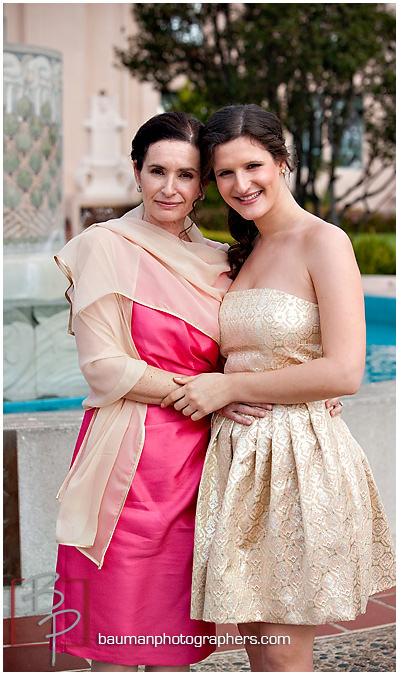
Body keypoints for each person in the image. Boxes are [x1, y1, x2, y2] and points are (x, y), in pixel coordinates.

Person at [160, 104, 396, 672]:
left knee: (284, 656)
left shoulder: (325, 242)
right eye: (224, 173)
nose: (241, 184)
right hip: (241, 461)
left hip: (297, 461)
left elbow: (346, 372)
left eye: (253, 166)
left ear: (282, 162)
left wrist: (227, 387)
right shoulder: (241, 253)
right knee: (261, 652)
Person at [51, 111, 260, 670]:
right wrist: (209, 390)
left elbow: (253, 346)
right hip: (132, 451)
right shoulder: (105, 246)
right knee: (123, 621)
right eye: (157, 171)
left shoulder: (221, 259)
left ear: (204, 182)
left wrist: (300, 389)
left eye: (187, 175)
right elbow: (103, 369)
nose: (170, 188)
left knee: (177, 627)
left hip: (207, 453)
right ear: (136, 172)